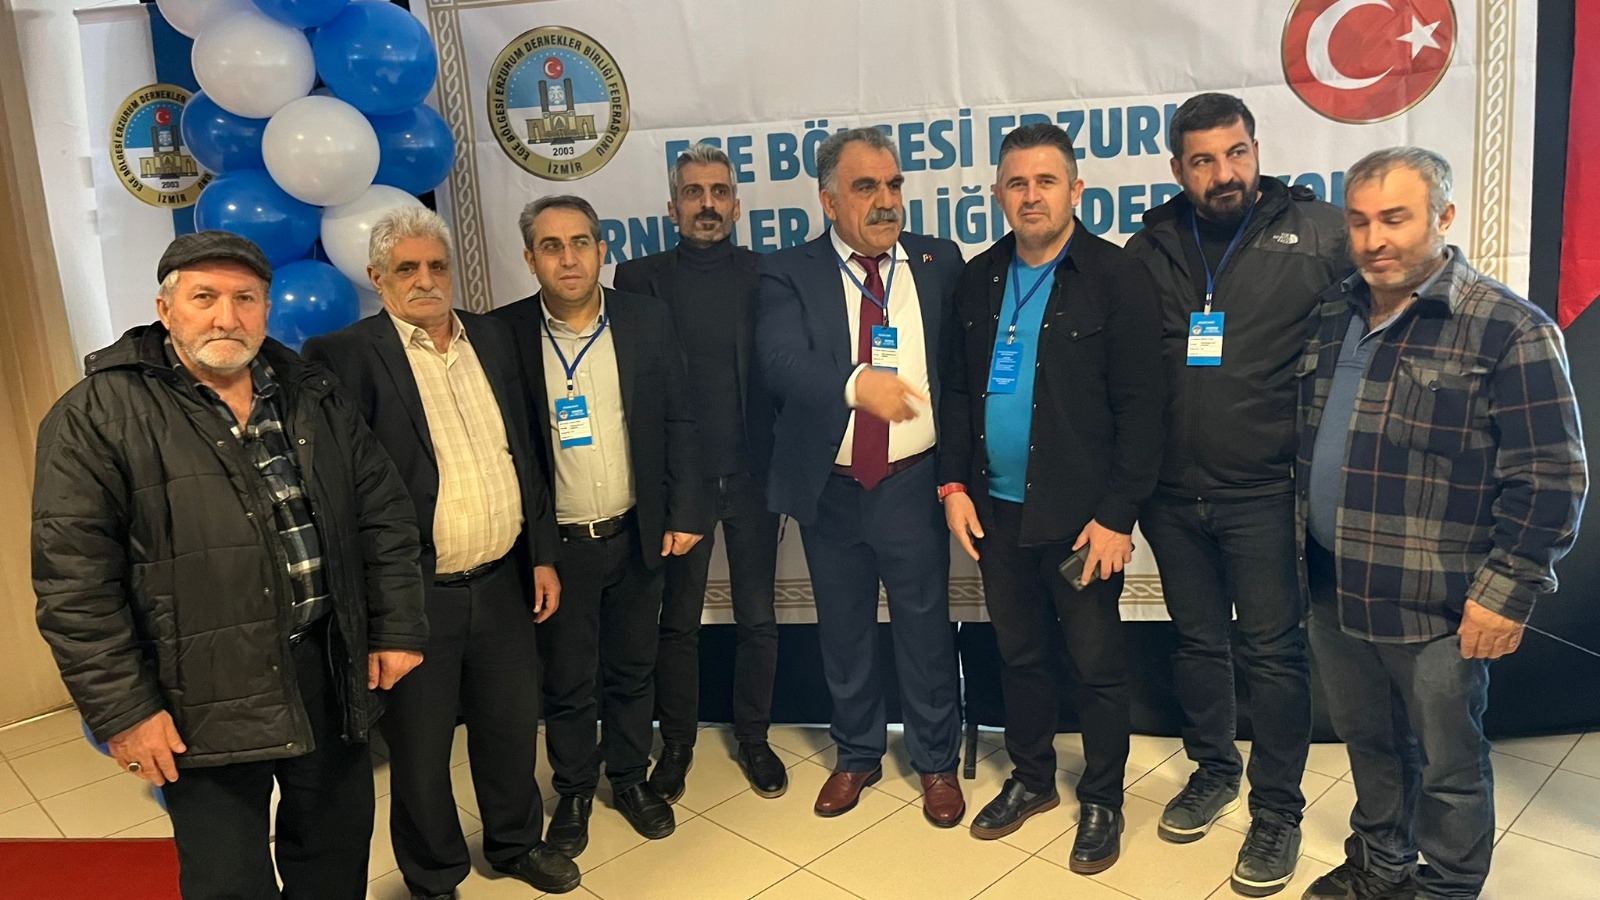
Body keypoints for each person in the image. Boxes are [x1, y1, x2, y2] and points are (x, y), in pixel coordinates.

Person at [32, 231, 429, 900]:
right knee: (227, 882)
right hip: (197, 692)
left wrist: (395, 627)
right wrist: (125, 711)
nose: (226, 317)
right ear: (165, 309)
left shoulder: (311, 393)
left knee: (333, 858)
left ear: (267, 308)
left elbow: (383, 514)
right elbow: (74, 586)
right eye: (204, 297)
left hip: (327, 670)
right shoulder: (95, 416)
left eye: (245, 299)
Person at [1298, 147, 1586, 900]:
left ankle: (1450, 885)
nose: (1374, 240)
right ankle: (1380, 863)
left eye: (1395, 219)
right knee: (1368, 742)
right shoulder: (1333, 314)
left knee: (1448, 763)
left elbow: (1552, 476)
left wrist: (1507, 593)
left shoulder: (1507, 328)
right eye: (1360, 222)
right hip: (1335, 588)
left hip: (1441, 605)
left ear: (1444, 216)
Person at [302, 208, 580, 898]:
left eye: (436, 265)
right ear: (377, 278)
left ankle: (516, 843)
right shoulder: (345, 356)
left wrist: (541, 555)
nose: (425, 280)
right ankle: (433, 876)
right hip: (414, 596)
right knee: (421, 753)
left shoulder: (492, 336)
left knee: (509, 729)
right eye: (407, 268)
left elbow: (526, 452)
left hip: (504, 580)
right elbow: (341, 495)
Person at [1123, 92, 1349, 895]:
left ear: (1256, 150)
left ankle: (1277, 810)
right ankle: (1214, 771)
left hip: (1265, 493)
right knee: (1197, 645)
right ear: (1177, 168)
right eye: (1204, 160)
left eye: (1236, 153)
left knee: (1274, 655)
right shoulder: (1149, 245)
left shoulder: (1318, 233)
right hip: (1171, 497)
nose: (1224, 173)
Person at [939, 123, 1165, 872]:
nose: (1030, 195)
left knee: (1096, 665)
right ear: (998, 194)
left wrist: (1117, 517)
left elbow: (1144, 410)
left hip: (1084, 522)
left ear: (1075, 190)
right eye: (1017, 183)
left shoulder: (1116, 276)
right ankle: (1033, 779)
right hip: (995, 512)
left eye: (1045, 181)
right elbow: (957, 392)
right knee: (1021, 655)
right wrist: (953, 485)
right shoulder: (978, 278)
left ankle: (1102, 799)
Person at [756, 127, 966, 827]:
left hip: (913, 481)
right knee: (844, 631)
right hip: (833, 486)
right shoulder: (789, 270)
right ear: (828, 201)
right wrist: (856, 383)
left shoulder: (938, 260)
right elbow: (779, 360)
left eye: (894, 184)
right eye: (866, 186)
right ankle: (857, 754)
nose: (886, 200)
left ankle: (935, 760)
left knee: (925, 629)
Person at [493, 195, 711, 858]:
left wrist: (686, 510)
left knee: (633, 669)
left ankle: (629, 778)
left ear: (601, 249)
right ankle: (575, 791)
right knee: (567, 681)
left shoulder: (645, 319)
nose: (569, 258)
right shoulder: (502, 334)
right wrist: (534, 550)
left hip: (637, 533)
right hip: (558, 547)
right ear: (529, 258)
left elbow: (681, 419)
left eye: (581, 242)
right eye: (551, 246)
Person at [613, 143, 786, 803]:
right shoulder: (638, 279)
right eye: (694, 192)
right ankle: (678, 742)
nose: (707, 204)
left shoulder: (765, 274)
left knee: (758, 619)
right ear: (672, 207)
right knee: (678, 622)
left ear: (736, 206)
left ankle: (754, 737)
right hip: (678, 486)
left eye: (718, 192)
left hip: (752, 478)